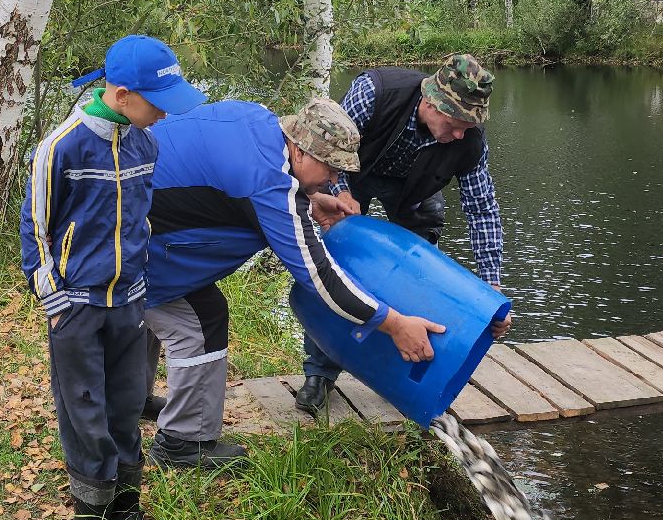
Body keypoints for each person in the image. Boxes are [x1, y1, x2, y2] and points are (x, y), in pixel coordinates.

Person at [142, 97, 446, 469]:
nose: (335, 180)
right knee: (199, 318)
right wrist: (395, 324)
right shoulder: (268, 182)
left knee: (161, 308)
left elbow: (224, 181)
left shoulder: (257, 122)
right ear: (300, 151)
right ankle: (181, 445)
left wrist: (309, 198)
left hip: (121, 224)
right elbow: (321, 278)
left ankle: (133, 400)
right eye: (331, 168)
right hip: (133, 246)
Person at [21, 34, 207, 520]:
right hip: (77, 304)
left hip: (130, 300)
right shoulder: (63, 147)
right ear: (122, 94)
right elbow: (35, 228)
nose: (165, 115)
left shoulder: (144, 143)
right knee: (85, 410)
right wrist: (53, 297)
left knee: (127, 403)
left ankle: (126, 510)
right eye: (158, 103)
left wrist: (143, 281)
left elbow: (141, 218)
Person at [295, 54, 510, 419]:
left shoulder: (469, 139)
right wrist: (342, 191)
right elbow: (330, 151)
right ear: (430, 101)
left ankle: (402, 370)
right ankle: (320, 372)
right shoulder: (375, 92)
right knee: (343, 265)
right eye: (455, 123)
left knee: (416, 280)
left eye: (469, 127)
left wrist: (492, 285)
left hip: (417, 190)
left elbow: (482, 209)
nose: (461, 134)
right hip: (353, 172)